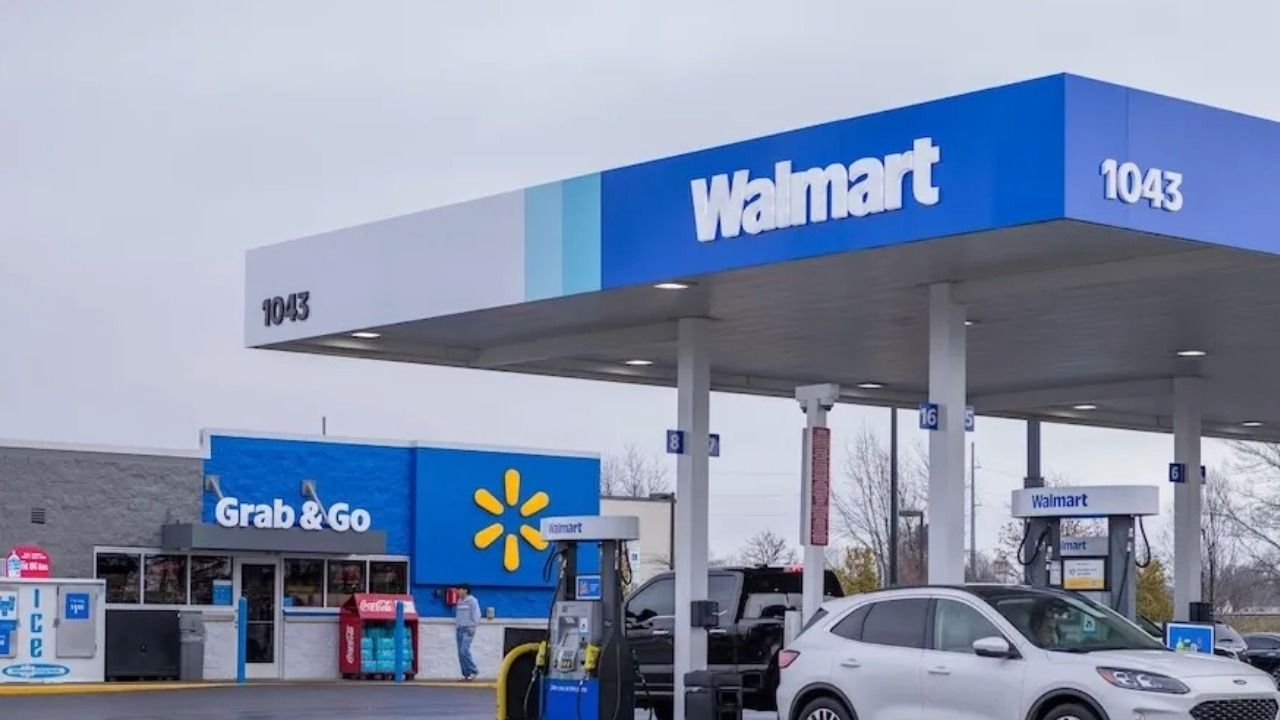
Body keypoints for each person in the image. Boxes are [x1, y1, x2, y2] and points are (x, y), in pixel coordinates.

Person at [454, 584, 481, 680]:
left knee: (464, 650)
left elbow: (476, 614)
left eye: (460, 589)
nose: (458, 591)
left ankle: (473, 670)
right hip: (459, 629)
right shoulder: (459, 601)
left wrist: (473, 626)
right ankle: (466, 674)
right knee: (460, 653)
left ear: (465, 590)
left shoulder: (472, 601)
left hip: (468, 629)